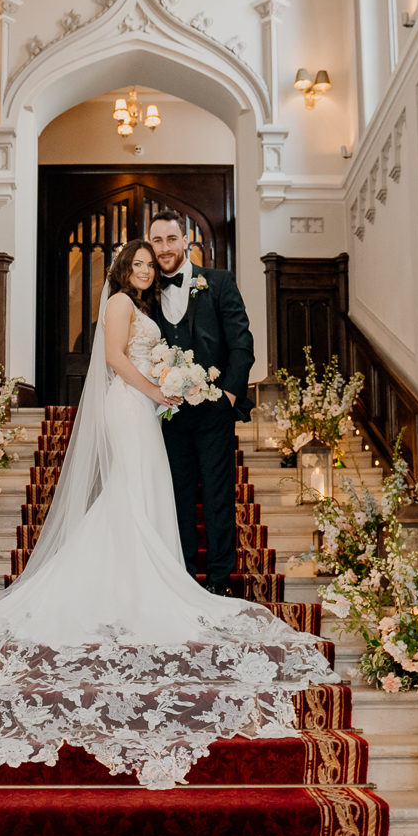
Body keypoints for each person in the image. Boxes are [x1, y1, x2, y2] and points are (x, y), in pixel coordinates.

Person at [0, 239, 335, 789]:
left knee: (144, 490)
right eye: (136, 263)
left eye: (148, 264)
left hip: (145, 406)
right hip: (129, 404)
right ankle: (134, 583)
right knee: (132, 489)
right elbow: (115, 360)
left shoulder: (143, 306)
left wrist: (168, 387)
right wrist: (157, 392)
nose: (143, 269)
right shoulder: (118, 303)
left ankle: (138, 577)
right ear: (123, 269)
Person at [146, 215, 255, 593]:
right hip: (168, 412)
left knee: (218, 495)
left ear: (186, 240)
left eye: (171, 238)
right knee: (175, 496)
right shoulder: (145, 291)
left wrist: (227, 394)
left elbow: (242, 343)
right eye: (156, 240)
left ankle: (222, 582)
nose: (164, 247)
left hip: (213, 410)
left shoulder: (219, 281)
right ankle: (185, 580)